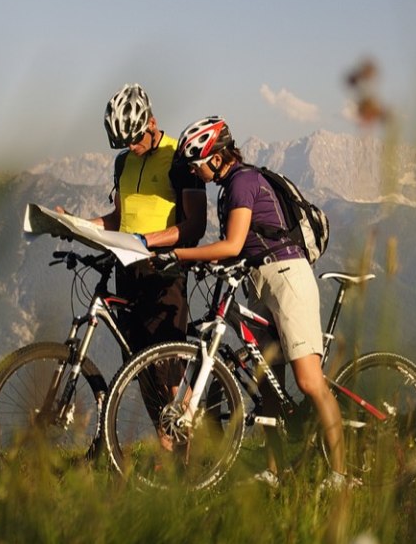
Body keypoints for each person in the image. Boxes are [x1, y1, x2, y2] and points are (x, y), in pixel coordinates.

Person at [157, 116, 356, 489]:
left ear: (216, 158)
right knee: (267, 384)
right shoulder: (229, 188)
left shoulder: (243, 182)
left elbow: (232, 244)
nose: (194, 172)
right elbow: (240, 249)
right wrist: (204, 263)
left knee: (309, 380)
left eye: (196, 164)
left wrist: (180, 255)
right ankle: (274, 471)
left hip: (287, 278)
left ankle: (340, 475)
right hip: (260, 281)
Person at [61, 84, 206, 365]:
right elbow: (118, 219)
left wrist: (145, 240)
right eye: (124, 142)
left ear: (152, 123)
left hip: (163, 272)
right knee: (137, 365)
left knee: (168, 371)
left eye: (135, 139)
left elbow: (196, 225)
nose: (131, 147)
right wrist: (75, 224)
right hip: (126, 270)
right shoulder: (123, 162)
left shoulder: (179, 157)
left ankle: (190, 398)